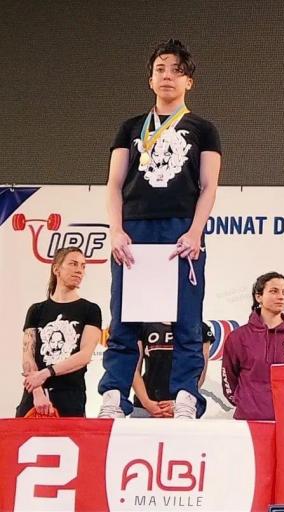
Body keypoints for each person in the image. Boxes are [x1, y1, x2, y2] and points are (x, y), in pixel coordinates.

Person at [99, 39, 221, 419]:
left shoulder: (203, 128)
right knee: (124, 318)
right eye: (160, 70)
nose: (167, 76)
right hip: (134, 230)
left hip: (180, 230)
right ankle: (115, 394)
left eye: (176, 71)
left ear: (189, 82)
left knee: (185, 317)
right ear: (150, 79)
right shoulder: (131, 127)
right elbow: (114, 184)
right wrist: (116, 231)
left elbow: (209, 185)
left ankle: (186, 394)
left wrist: (196, 231)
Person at [16, 247, 102, 418]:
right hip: (34, 396)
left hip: (71, 396)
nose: (79, 270)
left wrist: (45, 373)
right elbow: (28, 357)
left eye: (83, 266)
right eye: (73, 264)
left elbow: (84, 356)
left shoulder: (90, 310)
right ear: (56, 269)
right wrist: (38, 393)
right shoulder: (36, 310)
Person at [221, 272, 284, 420]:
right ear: (259, 297)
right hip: (248, 421)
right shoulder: (238, 337)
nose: (281, 297)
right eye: (274, 291)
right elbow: (229, 378)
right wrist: (245, 403)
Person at [130, 322, 214, 418]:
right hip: (145, 406)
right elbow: (134, 370)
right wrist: (146, 402)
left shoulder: (199, 328)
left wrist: (180, 403)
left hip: (182, 408)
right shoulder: (144, 326)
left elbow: (200, 373)